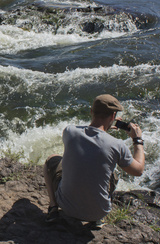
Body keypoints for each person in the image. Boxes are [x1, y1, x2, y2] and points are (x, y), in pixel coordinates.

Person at [43, 94, 145, 226]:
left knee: (52, 160)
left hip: (67, 208)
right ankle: (97, 220)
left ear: (91, 111)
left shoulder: (69, 132)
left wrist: (104, 129)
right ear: (113, 116)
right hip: (99, 212)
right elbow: (138, 170)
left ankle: (53, 207)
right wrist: (137, 140)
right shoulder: (117, 145)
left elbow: (90, 138)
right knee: (112, 174)